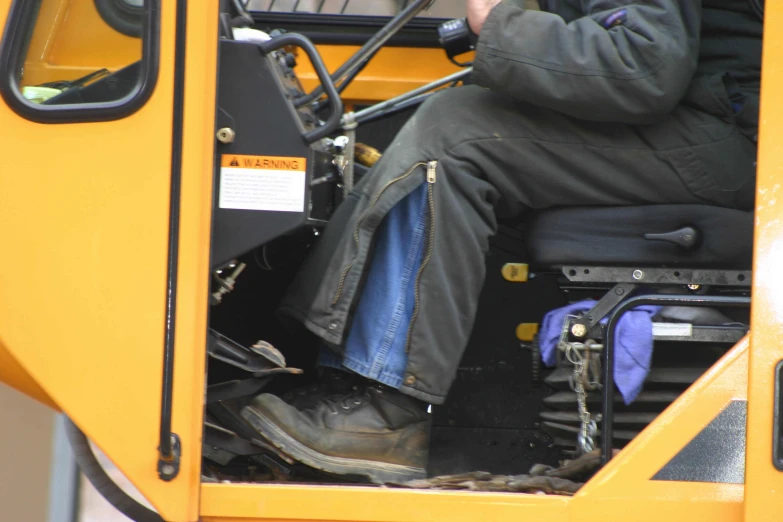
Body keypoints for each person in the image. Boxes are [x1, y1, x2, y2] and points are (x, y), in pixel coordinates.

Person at [241, 0, 763, 483]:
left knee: (455, 138)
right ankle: (328, 378)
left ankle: (385, 415)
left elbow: (642, 64)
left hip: (723, 139)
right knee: (462, 120)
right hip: (707, 123)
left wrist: (498, 23)